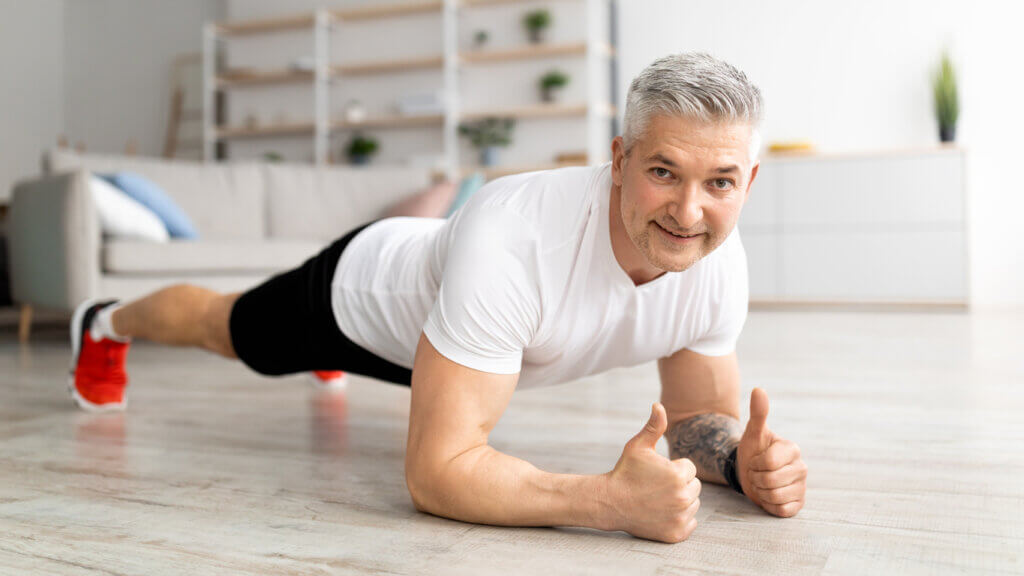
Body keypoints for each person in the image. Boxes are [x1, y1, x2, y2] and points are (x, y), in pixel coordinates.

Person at [68, 52, 807, 543]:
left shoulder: (718, 259)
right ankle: (105, 322)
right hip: (359, 299)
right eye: (663, 173)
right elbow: (437, 471)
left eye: (719, 182)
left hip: (454, 332)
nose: (688, 212)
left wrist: (739, 463)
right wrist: (608, 501)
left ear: (747, 183)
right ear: (618, 160)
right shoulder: (518, 236)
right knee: (224, 327)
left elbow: (695, 421)